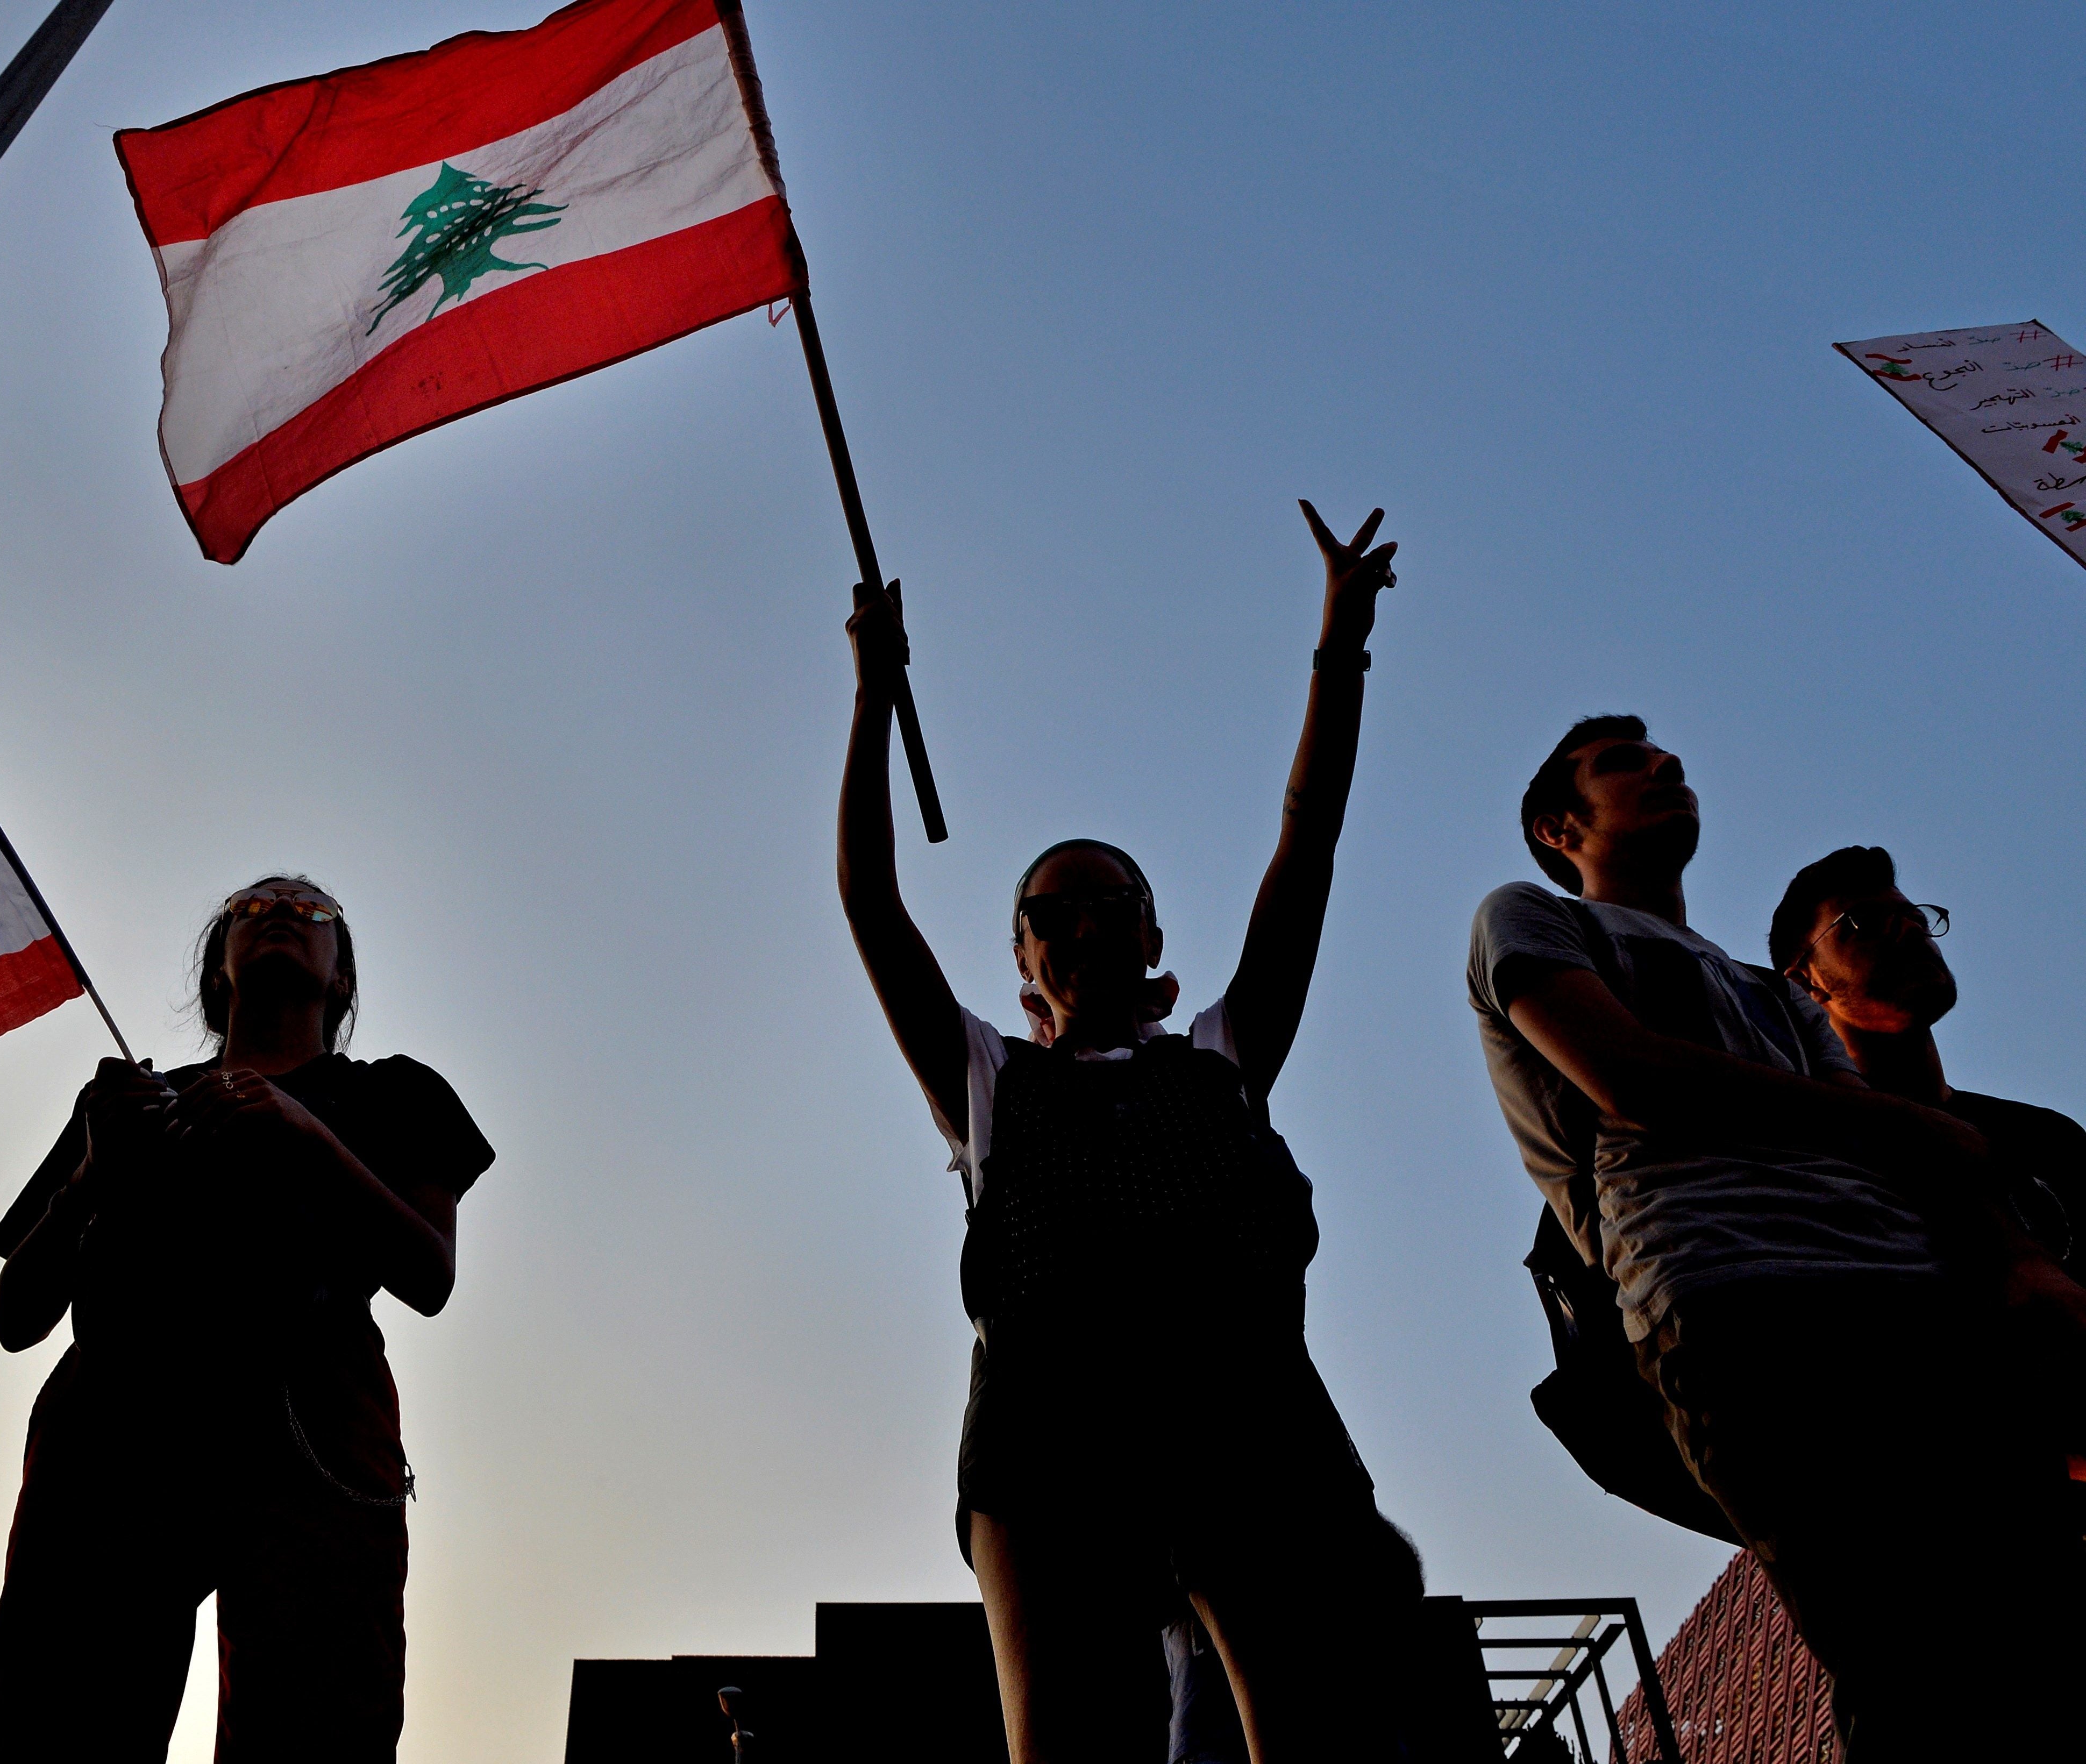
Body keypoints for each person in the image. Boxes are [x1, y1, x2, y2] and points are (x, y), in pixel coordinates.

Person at [838, 503, 1426, 1764]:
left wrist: (1341, 645)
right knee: (1064, 1744)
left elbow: (1306, 842)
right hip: (1049, 1417)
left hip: (1239, 1401)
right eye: (1056, 907)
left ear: (1156, 940)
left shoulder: (1219, 1057)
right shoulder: (990, 1084)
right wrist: (875, 697)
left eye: (1116, 900)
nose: (1087, 920)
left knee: (1309, 1736)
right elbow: (870, 898)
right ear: (1023, 957)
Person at [1469, 717, 2086, 1758]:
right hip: (1739, 1309)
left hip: (1914, 1308)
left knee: (2035, 1623)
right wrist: (1894, 1119)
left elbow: (1903, 1153)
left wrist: (2011, 1251)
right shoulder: (1531, 919)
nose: (1665, 764)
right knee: (1908, 1654)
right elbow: (1633, 1078)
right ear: (1558, 823)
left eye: (1666, 753)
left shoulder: (1767, 995)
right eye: (1624, 762)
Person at [0, 875, 493, 1764]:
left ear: (341, 982)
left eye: (311, 909)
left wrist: (306, 1134)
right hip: (112, 1436)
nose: (280, 913)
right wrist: (92, 1173)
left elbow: (428, 1274)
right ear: (220, 972)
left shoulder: (394, 1096)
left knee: (312, 1730)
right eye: (249, 911)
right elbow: (17, 1316)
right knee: (59, 1725)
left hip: (311, 1430)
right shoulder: (126, 1105)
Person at [1770, 845, 2085, 1279]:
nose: (1908, 930)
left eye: (1916, 918)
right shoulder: (1806, 1156)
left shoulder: (2050, 1138)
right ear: (1807, 982)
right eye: (1865, 922)